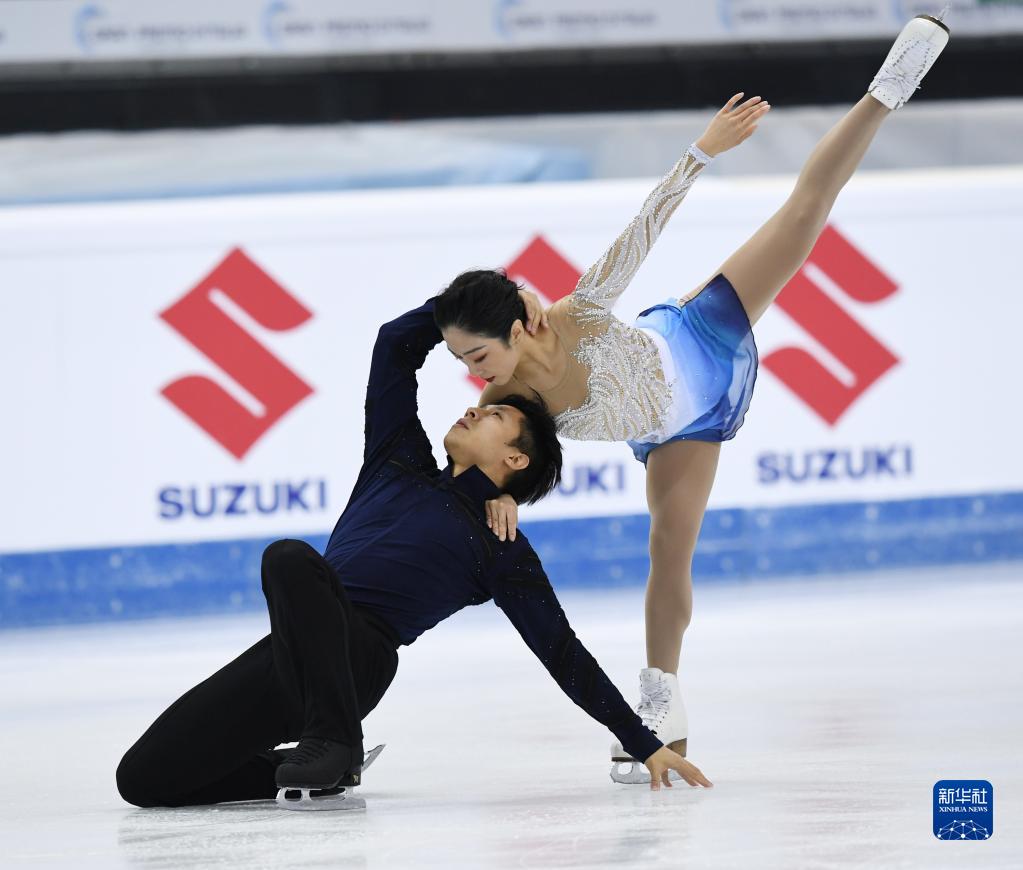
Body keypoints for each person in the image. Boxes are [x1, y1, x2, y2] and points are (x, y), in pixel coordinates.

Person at [433, 14, 950, 781]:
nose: (476, 377)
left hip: (698, 335)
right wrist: (489, 495)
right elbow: (478, 458)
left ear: (520, 324)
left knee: (803, 210)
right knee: (668, 548)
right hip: (686, 425)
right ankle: (662, 703)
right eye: (463, 362)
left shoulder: (575, 314)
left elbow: (640, 231)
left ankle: (886, 88)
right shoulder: (506, 400)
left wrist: (700, 154)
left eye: (478, 355)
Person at [115, 297, 713, 811]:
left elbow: (560, 651)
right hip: (293, 653)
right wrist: (481, 307)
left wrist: (642, 741)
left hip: (360, 661)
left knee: (289, 558)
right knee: (142, 780)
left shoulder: (500, 546)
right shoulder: (396, 459)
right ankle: (323, 765)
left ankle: (334, 740)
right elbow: (395, 346)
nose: (477, 405)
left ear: (516, 460)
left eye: (496, 415)